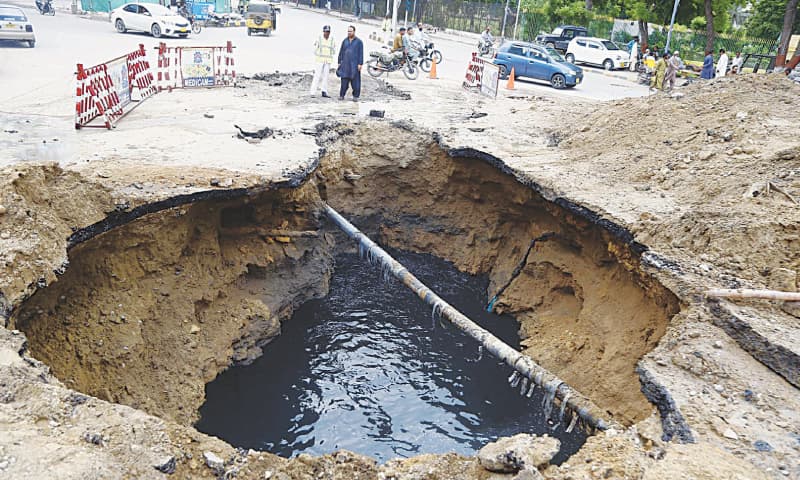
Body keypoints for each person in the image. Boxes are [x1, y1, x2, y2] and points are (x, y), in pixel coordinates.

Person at [337, 25, 363, 101]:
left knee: (356, 83)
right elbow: (341, 52)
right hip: (345, 65)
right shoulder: (345, 41)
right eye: (348, 31)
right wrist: (339, 62)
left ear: (354, 32)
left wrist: (360, 64)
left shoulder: (359, 42)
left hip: (354, 65)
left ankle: (355, 96)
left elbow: (361, 53)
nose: (349, 33)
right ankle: (342, 95)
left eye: (350, 31)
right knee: (344, 82)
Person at [310, 25, 335, 98]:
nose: (327, 33)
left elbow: (333, 49)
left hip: (328, 61)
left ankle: (324, 91)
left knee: (326, 76)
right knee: (317, 76)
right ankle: (313, 92)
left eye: (328, 32)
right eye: (326, 31)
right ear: (323, 31)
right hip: (320, 60)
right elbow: (314, 49)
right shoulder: (319, 39)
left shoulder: (332, 39)